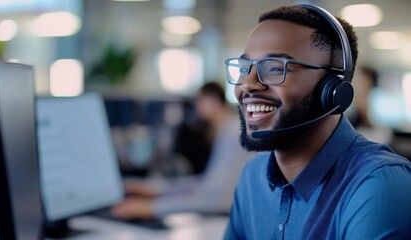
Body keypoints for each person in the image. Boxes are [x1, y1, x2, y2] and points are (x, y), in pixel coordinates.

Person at [223, 4, 411, 240]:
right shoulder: (253, 176)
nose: (247, 84)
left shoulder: (377, 185)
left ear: (332, 90)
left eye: (274, 68)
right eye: (244, 68)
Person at [111, 82, 251, 219]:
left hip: (227, 217)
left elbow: (217, 197)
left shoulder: (234, 132)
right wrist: (156, 190)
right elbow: (207, 184)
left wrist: (153, 207)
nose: (197, 106)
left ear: (213, 100)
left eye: (200, 100)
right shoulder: (226, 129)